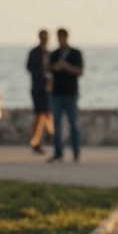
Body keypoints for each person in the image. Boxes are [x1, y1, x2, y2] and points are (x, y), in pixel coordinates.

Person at [48, 28, 84, 163]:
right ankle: (58, 152)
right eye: (58, 38)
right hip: (57, 93)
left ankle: (76, 151)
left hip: (71, 93)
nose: (60, 40)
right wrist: (55, 67)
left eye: (62, 37)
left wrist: (67, 67)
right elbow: (48, 69)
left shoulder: (75, 53)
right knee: (56, 123)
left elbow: (79, 71)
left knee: (73, 123)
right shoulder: (55, 54)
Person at [27, 29, 54, 155]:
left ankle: (49, 134)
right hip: (37, 87)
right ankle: (37, 139)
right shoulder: (34, 52)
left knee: (47, 113)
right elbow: (29, 67)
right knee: (40, 113)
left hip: (47, 88)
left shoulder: (50, 53)